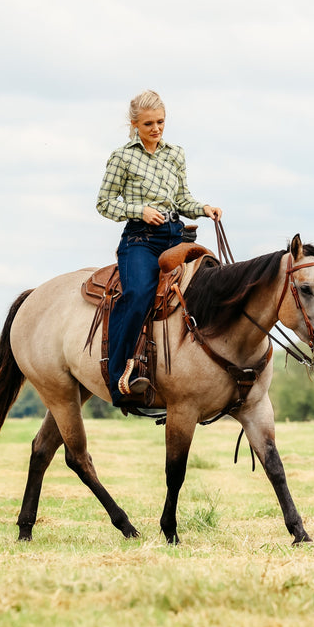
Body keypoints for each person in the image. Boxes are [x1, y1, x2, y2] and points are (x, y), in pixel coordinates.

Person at [96, 90, 222, 405]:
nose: (156, 128)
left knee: (212, 285)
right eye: (149, 123)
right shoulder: (122, 157)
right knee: (137, 295)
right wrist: (140, 211)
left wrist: (203, 208)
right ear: (135, 124)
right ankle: (118, 379)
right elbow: (104, 204)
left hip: (176, 234)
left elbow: (181, 198)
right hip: (141, 239)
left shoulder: (175, 154)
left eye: (161, 122)